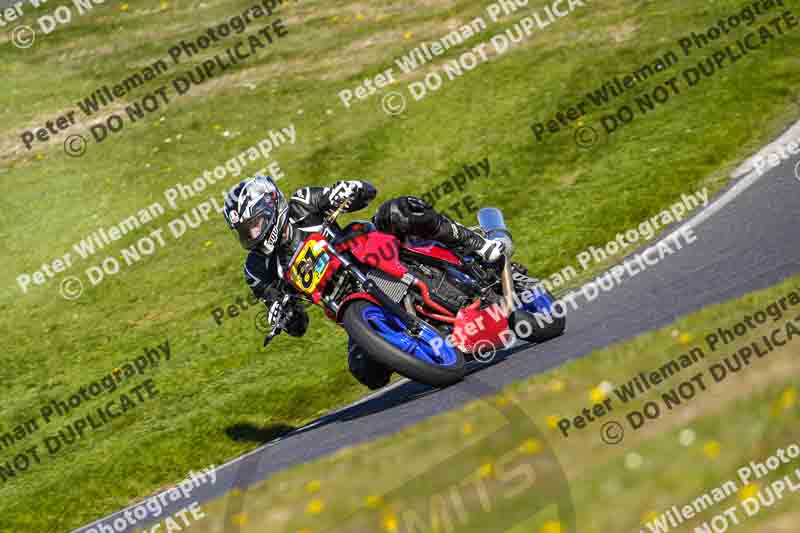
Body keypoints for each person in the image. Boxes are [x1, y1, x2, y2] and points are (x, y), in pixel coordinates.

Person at [222, 175, 505, 389]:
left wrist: (346, 190)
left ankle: (476, 244)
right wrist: (283, 314)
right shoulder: (258, 269)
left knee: (399, 211)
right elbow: (298, 325)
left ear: (272, 207)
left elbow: (366, 192)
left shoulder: (301, 205)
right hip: (346, 301)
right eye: (244, 232)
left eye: (255, 224)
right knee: (366, 372)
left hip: (371, 252)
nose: (252, 235)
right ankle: (431, 343)